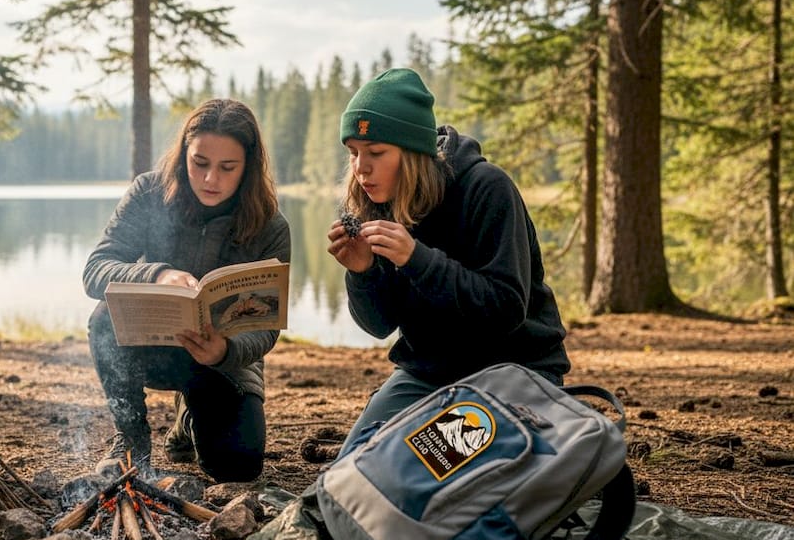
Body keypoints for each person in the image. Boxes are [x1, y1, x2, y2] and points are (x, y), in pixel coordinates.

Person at [326, 68, 570, 457]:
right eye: (353, 152)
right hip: (428, 372)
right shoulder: (371, 202)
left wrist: (417, 260)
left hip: (513, 371)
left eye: (376, 153)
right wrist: (363, 273)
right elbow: (378, 325)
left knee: (430, 462)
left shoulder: (487, 188)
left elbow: (506, 309)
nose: (361, 168)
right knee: (356, 464)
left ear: (412, 153)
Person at [84, 98, 290, 483]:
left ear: (248, 168)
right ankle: (132, 437)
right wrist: (157, 275)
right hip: (152, 346)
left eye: (227, 168)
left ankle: (189, 420)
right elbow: (95, 271)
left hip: (222, 362)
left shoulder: (269, 225)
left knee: (237, 469)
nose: (211, 179)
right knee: (103, 319)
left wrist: (226, 351)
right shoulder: (149, 193)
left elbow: (266, 328)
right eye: (200, 163)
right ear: (184, 154)